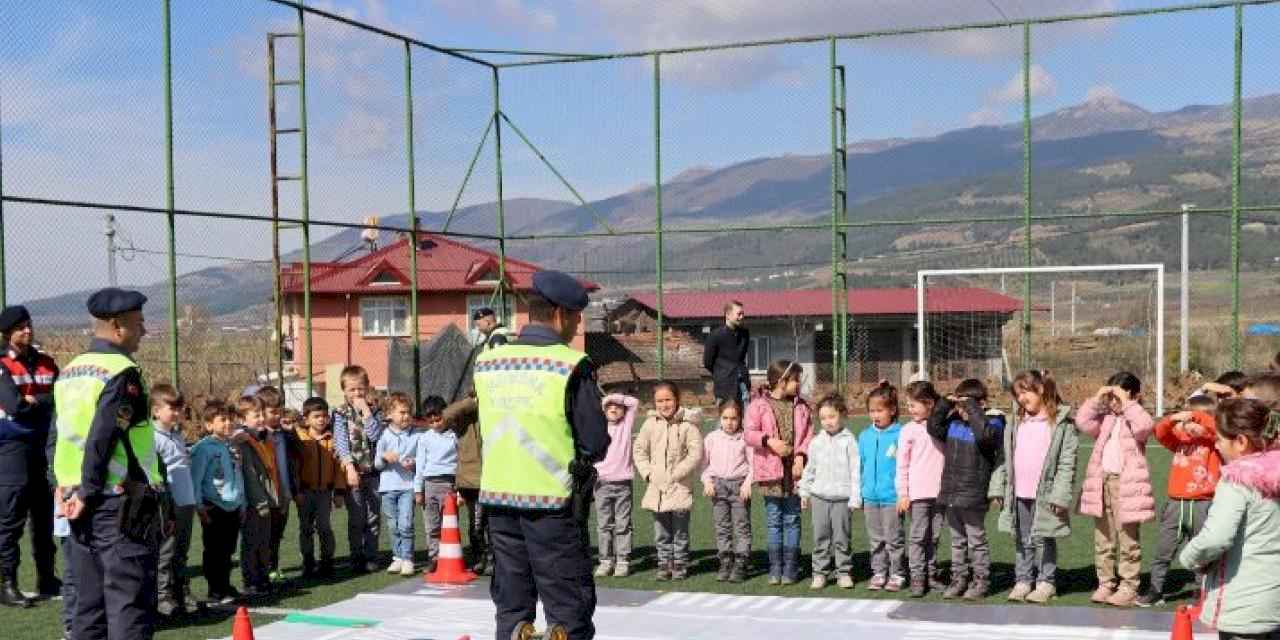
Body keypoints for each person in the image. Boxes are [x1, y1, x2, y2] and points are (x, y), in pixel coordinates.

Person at [473, 270, 609, 640]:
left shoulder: (489, 362)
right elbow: (595, 442)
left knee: (512, 607)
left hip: (499, 499)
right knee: (567, 606)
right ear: (561, 314)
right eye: (577, 317)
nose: (577, 325)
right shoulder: (570, 365)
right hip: (553, 502)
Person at [52, 288, 168, 639]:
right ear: (117, 326)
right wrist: (88, 488)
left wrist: (63, 486)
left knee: (89, 607)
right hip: (116, 502)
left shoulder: (70, 371)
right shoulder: (122, 371)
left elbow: (54, 437)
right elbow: (104, 436)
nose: (144, 331)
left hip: (75, 502)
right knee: (128, 603)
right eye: (139, 323)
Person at [1179, 398, 1280, 640]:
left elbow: (1215, 538)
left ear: (1241, 442)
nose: (1216, 445)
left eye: (1220, 439)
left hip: (1244, 603)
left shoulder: (1236, 482)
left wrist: (1189, 557)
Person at [990, 370, 1078, 605]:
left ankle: (1046, 582)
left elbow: (1066, 463)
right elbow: (1004, 457)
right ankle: (1023, 580)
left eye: (1025, 392)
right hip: (1019, 493)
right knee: (1021, 537)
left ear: (1041, 390)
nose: (1021, 398)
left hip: (1046, 496)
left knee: (1044, 538)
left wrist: (1060, 495)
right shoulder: (1015, 422)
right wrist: (998, 487)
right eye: (1018, 394)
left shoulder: (1060, 424)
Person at [1075, 371, 1155, 608]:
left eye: (1117, 396)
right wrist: (1097, 398)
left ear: (1134, 397)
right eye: (1111, 397)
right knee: (1104, 537)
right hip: (1102, 483)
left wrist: (1128, 403)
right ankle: (1106, 582)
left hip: (1127, 487)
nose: (1114, 402)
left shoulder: (1134, 418)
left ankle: (1129, 586)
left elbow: (1145, 426)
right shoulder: (1106, 419)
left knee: (1128, 539)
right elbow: (1082, 422)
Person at [0, 304, 60, 606]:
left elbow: (60, 397)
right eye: (20, 327)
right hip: (12, 449)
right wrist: (40, 402)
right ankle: (6, 583)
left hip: (43, 445)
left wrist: (35, 399)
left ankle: (46, 577)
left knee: (43, 515)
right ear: (7, 333)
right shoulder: (1, 365)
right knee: (10, 518)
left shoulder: (48, 363)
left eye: (29, 324)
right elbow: (15, 407)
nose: (27, 330)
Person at [926, 377, 1005, 601]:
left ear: (980, 404)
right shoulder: (953, 422)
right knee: (957, 540)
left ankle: (981, 580)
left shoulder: (994, 421)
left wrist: (971, 407)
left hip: (973, 494)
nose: (962, 411)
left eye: (966, 405)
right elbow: (934, 427)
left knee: (976, 540)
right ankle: (959, 578)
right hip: (951, 492)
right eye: (960, 406)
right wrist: (945, 404)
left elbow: (986, 437)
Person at [1139, 393, 1221, 607]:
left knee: (1201, 549)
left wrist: (1199, 419)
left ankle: (1201, 589)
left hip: (1204, 504)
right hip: (1176, 504)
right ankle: (1156, 589)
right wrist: (1174, 419)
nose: (1190, 426)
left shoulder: (1215, 442)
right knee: (1164, 549)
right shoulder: (1179, 442)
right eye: (1188, 421)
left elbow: (1215, 430)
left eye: (1194, 420)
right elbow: (1160, 432)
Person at [744, 360, 813, 586]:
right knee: (774, 520)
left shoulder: (802, 406)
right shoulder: (758, 405)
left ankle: (791, 568)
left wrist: (801, 457)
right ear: (781, 381)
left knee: (792, 519)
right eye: (795, 380)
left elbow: (807, 436)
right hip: (770, 473)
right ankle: (775, 568)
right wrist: (770, 442)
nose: (798, 384)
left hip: (793, 473)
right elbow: (749, 434)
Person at [633, 382, 702, 581]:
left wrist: (678, 473)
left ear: (677, 400)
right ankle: (664, 563)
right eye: (659, 401)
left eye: (668, 400)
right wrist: (648, 474)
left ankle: (680, 563)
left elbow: (695, 453)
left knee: (680, 529)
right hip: (657, 487)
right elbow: (639, 451)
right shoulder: (650, 424)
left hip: (680, 486)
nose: (664, 404)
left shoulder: (688, 425)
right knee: (661, 529)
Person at [798, 393, 857, 590]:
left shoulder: (849, 441)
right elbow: (810, 469)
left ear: (842, 415)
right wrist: (804, 492)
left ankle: (844, 572)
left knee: (842, 538)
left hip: (842, 499)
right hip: (819, 498)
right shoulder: (816, 442)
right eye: (823, 418)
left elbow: (856, 470)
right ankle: (819, 573)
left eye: (831, 416)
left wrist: (855, 497)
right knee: (820, 538)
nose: (827, 421)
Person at [895, 380, 946, 598]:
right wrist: (904, 493)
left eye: (914, 404)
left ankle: (931, 574)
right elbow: (902, 464)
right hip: (917, 495)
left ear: (929, 404)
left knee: (933, 537)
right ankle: (917, 577)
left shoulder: (942, 426)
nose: (910, 408)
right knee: (917, 538)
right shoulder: (908, 430)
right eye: (908, 404)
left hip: (941, 494)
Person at [332, 365, 384, 573]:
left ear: (367, 387)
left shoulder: (374, 411)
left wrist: (366, 412)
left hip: (373, 473)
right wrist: (349, 467)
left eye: (360, 389)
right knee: (356, 518)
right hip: (353, 473)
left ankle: (371, 556)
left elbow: (376, 436)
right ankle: (356, 556)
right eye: (352, 390)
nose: (356, 394)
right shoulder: (340, 413)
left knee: (373, 517)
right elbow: (341, 441)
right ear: (344, 390)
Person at [190, 400, 244, 603]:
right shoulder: (202, 449)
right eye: (223, 419)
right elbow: (196, 479)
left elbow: (237, 477)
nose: (228, 423)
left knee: (228, 549)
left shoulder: (231, 446)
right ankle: (214, 588)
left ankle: (225, 584)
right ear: (209, 424)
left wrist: (242, 502)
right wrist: (199, 505)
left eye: (231, 419)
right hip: (213, 505)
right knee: (214, 549)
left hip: (233, 505)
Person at [151, 384, 194, 616]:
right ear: (156, 410)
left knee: (182, 551)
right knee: (166, 552)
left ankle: (181, 593)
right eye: (172, 408)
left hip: (186, 501)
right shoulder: (152, 436)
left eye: (180, 408)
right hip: (168, 503)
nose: (177, 413)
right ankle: (162, 597)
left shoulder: (177, 435)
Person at [859, 382, 906, 592]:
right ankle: (879, 572)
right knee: (875, 538)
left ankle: (897, 573)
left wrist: (903, 493)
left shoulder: (901, 434)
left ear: (892, 410)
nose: (875, 415)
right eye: (871, 411)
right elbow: (860, 465)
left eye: (880, 410)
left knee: (893, 538)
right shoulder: (864, 436)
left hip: (892, 497)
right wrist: (860, 491)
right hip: (870, 496)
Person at [234, 395, 279, 596]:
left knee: (264, 542)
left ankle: (262, 578)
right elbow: (250, 475)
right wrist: (260, 500)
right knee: (252, 542)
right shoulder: (244, 440)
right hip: (254, 502)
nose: (261, 418)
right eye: (256, 415)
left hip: (266, 500)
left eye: (262, 414)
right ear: (242, 419)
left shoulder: (261, 438)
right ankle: (250, 581)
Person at [295, 397, 344, 579]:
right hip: (305, 492)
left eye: (324, 416)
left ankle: (327, 561)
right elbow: (294, 467)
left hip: (325, 492)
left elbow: (340, 467)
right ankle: (308, 562)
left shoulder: (333, 439)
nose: (321, 420)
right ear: (306, 418)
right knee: (305, 528)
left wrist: (339, 491)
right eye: (316, 416)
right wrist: (296, 490)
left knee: (324, 527)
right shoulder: (299, 439)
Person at [442, 395, 490, 575]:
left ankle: (492, 558)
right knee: (476, 523)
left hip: (494, 478)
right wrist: (470, 402)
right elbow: (446, 416)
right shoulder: (463, 417)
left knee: (492, 523)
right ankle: (480, 558)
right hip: (471, 481)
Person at [256, 386, 299, 583]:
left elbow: (292, 463)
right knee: (263, 535)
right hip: (267, 495)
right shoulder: (257, 437)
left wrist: (293, 490)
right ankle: (261, 571)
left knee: (277, 535)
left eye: (279, 411)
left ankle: (273, 567)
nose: (277, 416)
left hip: (284, 494)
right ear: (261, 412)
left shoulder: (284, 435)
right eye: (272, 412)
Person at [594, 393, 639, 578]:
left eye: (618, 407)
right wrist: (604, 401)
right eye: (609, 407)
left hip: (622, 484)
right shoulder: (598, 427)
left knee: (623, 524)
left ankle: (622, 560)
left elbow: (634, 402)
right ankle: (605, 560)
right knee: (604, 525)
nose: (613, 409)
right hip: (601, 483)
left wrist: (612, 396)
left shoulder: (626, 425)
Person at [376, 392, 420, 577]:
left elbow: (423, 458)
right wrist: (385, 458)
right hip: (387, 487)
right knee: (393, 525)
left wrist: (415, 461)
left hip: (407, 487)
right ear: (389, 415)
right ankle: (398, 557)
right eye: (402, 412)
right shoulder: (384, 436)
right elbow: (377, 464)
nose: (406, 416)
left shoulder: (417, 435)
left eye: (408, 412)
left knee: (406, 523)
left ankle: (408, 558)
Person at [413, 395, 455, 573]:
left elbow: (460, 462)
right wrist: (418, 490)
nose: (436, 424)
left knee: (449, 523)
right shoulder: (424, 439)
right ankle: (435, 557)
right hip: (430, 484)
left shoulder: (454, 436)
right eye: (431, 422)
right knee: (432, 525)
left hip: (449, 483)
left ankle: (451, 556)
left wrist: (458, 490)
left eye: (439, 419)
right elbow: (420, 466)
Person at [703, 301, 750, 407]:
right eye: (739, 314)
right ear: (728, 315)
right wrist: (722, 372)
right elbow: (707, 362)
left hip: (743, 385)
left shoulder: (745, 334)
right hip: (724, 387)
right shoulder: (715, 335)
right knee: (725, 419)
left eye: (743, 314)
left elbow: (741, 358)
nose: (742, 317)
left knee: (745, 419)